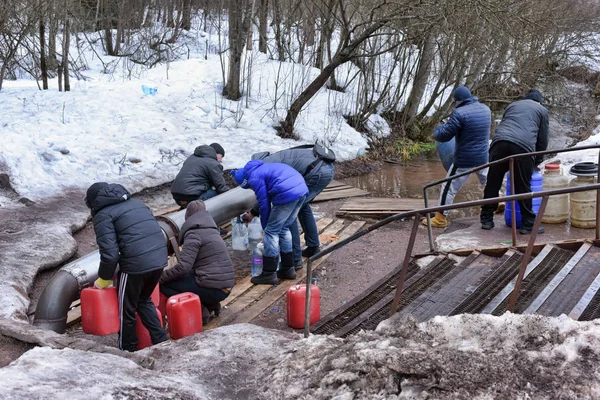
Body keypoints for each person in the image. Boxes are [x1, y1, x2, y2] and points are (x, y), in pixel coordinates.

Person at [85, 182, 169, 352]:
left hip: (135, 265)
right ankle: (162, 340)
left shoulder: (103, 215)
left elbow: (110, 254)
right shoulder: (137, 203)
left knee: (126, 310)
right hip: (159, 258)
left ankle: (127, 350)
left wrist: (103, 279)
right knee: (143, 300)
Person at [244, 145, 335, 269]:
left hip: (316, 170)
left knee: (289, 209)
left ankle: (294, 259)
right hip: (327, 169)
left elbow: (265, 197)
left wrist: (257, 214)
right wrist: (254, 212)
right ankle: (313, 246)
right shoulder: (276, 159)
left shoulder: (264, 167)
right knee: (302, 205)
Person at [480, 89, 549, 234]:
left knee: (493, 181)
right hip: (522, 147)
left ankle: (486, 219)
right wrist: (537, 161)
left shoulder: (512, 105)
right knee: (522, 184)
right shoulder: (541, 110)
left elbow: (506, 125)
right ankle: (527, 225)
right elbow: (542, 140)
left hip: (499, 143)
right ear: (539, 101)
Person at [424, 85, 491, 228]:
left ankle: (440, 219)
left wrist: (436, 131)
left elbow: (444, 135)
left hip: (465, 159)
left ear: (458, 101)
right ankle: (499, 203)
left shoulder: (459, 113)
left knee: (448, 187)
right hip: (483, 157)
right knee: (489, 182)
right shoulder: (486, 109)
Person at [231, 160, 308, 285]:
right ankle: (288, 269)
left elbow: (264, 204)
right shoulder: (262, 169)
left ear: (245, 181)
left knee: (272, 232)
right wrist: (253, 213)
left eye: (249, 186)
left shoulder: (254, 178)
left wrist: (266, 229)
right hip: (301, 190)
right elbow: (265, 196)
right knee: (283, 228)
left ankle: (269, 273)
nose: (251, 188)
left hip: (287, 193)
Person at [159, 200, 235, 324]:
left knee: (166, 285)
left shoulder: (194, 234)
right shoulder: (212, 230)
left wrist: (160, 277)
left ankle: (201, 310)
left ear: (187, 216)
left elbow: (183, 267)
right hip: (227, 286)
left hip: (214, 289)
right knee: (191, 277)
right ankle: (212, 305)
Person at [171, 143, 229, 208]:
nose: (221, 160)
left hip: (177, 197)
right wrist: (232, 196)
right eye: (221, 156)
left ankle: (185, 209)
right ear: (216, 153)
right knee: (219, 195)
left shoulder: (192, 157)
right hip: (192, 197)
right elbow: (221, 188)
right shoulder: (213, 164)